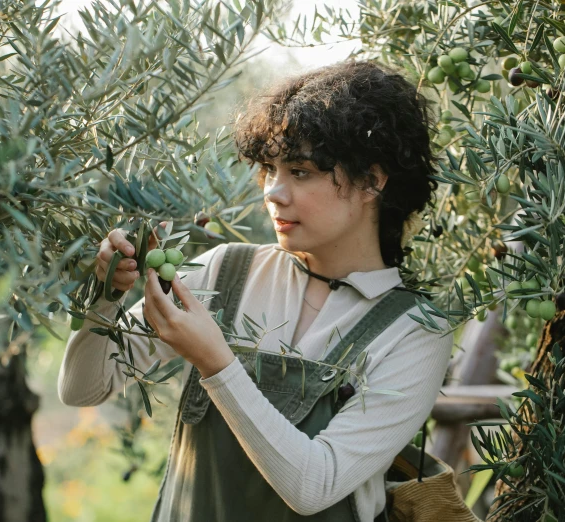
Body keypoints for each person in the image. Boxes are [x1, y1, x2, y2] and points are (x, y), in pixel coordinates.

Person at [58, 59, 453, 522]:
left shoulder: (413, 332)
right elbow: (83, 389)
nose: (273, 192)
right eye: (270, 169)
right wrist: (105, 295)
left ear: (372, 179)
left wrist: (216, 362)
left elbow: (315, 485)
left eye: (301, 171)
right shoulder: (224, 271)